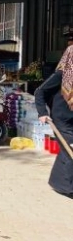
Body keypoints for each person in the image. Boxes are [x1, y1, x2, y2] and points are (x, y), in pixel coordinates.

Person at [35, 45, 73, 199]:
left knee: (67, 150)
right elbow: (39, 91)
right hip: (61, 118)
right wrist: (42, 113)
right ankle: (66, 187)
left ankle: (57, 182)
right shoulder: (62, 75)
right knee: (70, 149)